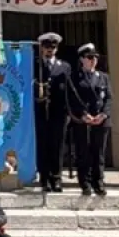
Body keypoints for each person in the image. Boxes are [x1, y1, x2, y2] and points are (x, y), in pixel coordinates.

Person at [70, 43, 112, 196]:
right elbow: (72, 99)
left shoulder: (103, 77)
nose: (93, 60)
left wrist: (104, 114)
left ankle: (98, 181)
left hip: (101, 120)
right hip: (84, 121)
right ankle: (85, 182)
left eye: (95, 57)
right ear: (82, 59)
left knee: (99, 152)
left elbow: (108, 98)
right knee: (83, 152)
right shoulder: (75, 77)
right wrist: (83, 114)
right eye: (89, 57)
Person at [34, 32, 72, 192]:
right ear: (42, 48)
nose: (50, 50)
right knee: (42, 145)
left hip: (58, 112)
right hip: (41, 111)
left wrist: (70, 112)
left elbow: (69, 91)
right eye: (47, 47)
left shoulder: (64, 66)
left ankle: (56, 178)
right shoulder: (35, 65)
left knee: (57, 146)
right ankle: (44, 179)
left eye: (53, 47)